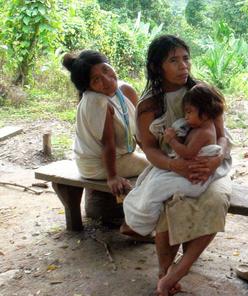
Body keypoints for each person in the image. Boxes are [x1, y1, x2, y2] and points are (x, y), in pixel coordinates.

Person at [133, 35, 232, 296]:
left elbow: (222, 135)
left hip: (210, 167)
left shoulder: (202, 93)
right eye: (173, 60)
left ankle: (179, 272)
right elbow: (150, 149)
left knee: (215, 202)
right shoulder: (149, 105)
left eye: (186, 58)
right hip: (169, 166)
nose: (183, 65)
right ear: (157, 67)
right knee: (168, 206)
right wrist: (173, 166)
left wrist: (217, 158)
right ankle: (165, 272)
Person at [121, 83, 225, 237]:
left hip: (195, 179)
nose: (186, 117)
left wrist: (172, 141)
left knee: (157, 187)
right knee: (151, 179)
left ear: (204, 114)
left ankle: (144, 222)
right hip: (185, 170)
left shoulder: (204, 132)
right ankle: (137, 217)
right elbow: (151, 148)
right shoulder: (197, 125)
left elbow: (188, 153)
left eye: (189, 112)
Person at [62, 50, 148, 201]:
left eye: (106, 69)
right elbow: (108, 144)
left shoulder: (125, 90)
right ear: (88, 87)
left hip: (121, 156)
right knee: (160, 168)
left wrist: (153, 152)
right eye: (96, 80)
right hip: (98, 165)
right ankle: (135, 214)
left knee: (161, 162)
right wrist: (113, 177)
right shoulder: (97, 102)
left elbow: (139, 131)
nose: (107, 80)